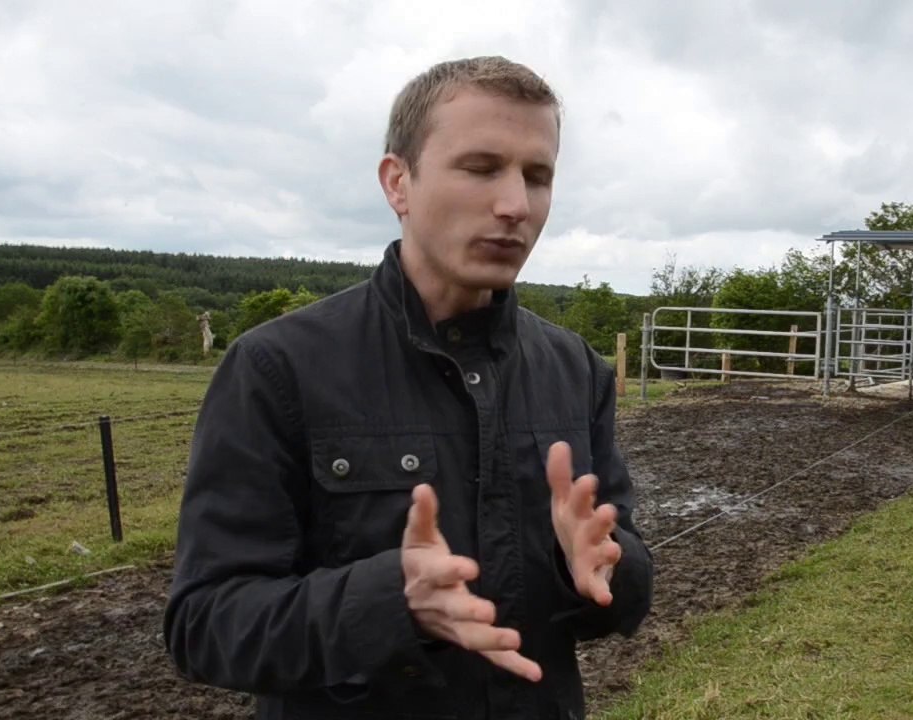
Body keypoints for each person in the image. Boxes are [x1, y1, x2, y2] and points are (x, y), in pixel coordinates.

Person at [164, 56, 654, 720]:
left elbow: (623, 580)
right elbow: (205, 623)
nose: (515, 205)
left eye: (537, 177)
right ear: (399, 182)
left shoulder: (575, 370)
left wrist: (602, 568)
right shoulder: (277, 370)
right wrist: (394, 601)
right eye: (481, 168)